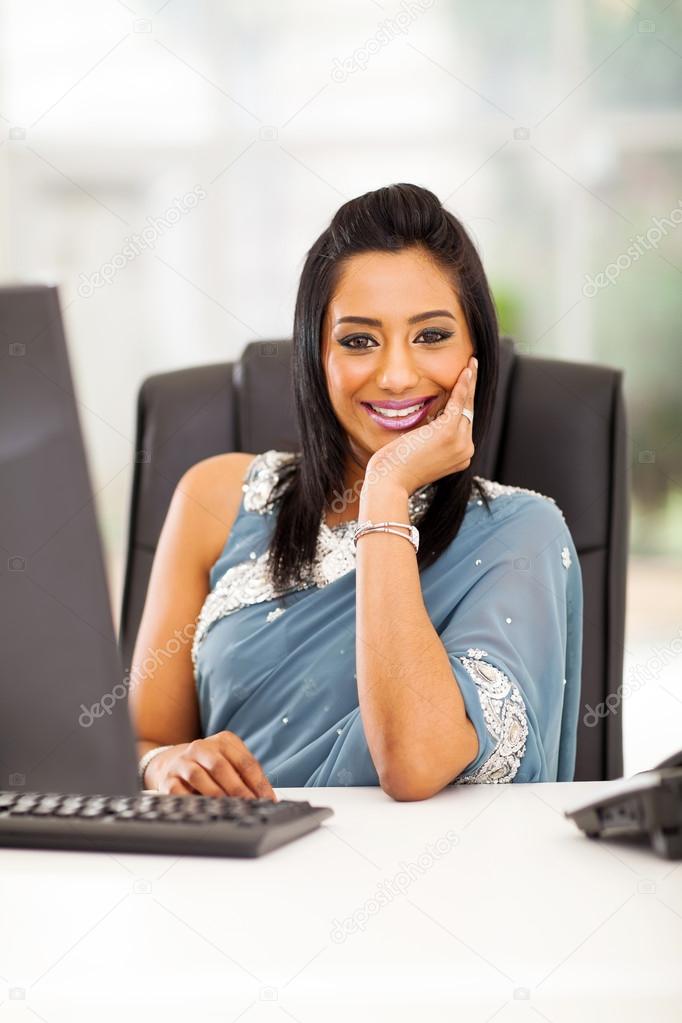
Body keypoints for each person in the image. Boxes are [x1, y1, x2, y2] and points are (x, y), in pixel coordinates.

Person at [130, 182, 583, 802]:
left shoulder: (523, 532)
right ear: (315, 356)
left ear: (476, 348)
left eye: (431, 336)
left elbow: (415, 761)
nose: (396, 376)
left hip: (434, 887)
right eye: (358, 340)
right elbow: (144, 737)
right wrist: (164, 766)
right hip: (230, 875)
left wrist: (386, 488)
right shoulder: (214, 496)